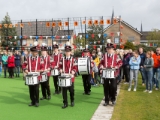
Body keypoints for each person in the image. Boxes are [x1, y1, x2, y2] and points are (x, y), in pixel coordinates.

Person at [99, 40, 122, 106]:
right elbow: (100, 63)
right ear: (106, 49)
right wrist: (101, 67)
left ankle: (113, 99)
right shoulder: (104, 56)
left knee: (113, 87)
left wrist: (115, 67)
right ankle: (106, 100)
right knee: (106, 87)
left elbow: (120, 63)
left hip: (113, 74)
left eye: (110, 49)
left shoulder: (116, 56)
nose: (109, 50)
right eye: (108, 49)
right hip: (105, 74)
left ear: (113, 49)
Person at [59, 42, 78, 109]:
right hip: (64, 76)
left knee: (71, 90)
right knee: (64, 91)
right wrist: (60, 69)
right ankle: (65, 103)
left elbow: (75, 67)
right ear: (65, 52)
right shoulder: (62, 59)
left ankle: (72, 100)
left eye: (68, 51)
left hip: (71, 77)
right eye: (66, 51)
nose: (67, 52)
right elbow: (60, 66)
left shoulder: (74, 59)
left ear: (70, 52)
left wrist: (73, 71)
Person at [22, 43, 41, 107]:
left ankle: (37, 101)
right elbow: (24, 65)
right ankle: (32, 101)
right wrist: (25, 70)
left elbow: (42, 66)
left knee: (36, 89)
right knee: (31, 89)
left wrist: (40, 70)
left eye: (36, 52)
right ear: (32, 52)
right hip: (30, 75)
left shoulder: (40, 58)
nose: (36, 53)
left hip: (36, 76)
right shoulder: (28, 58)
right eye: (35, 52)